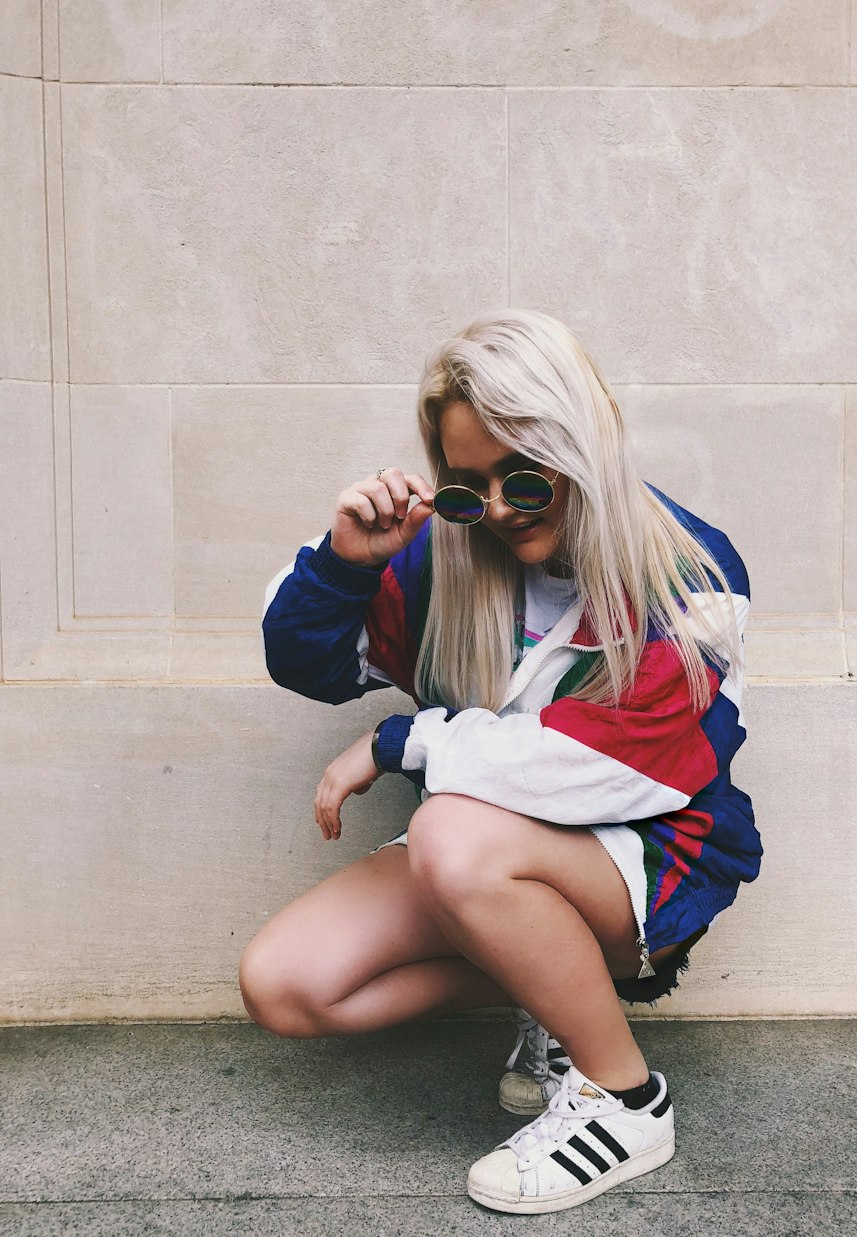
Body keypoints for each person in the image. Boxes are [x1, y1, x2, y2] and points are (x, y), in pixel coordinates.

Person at [239, 308, 763, 1214]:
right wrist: (346, 564)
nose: (493, 508)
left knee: (449, 828)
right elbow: (308, 665)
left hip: (639, 860)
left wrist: (404, 740)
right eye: (467, 485)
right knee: (284, 984)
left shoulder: (688, 571)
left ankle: (625, 1098)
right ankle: (548, 980)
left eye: (523, 478)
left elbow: (608, 767)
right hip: (485, 854)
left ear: (578, 445)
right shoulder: (447, 557)